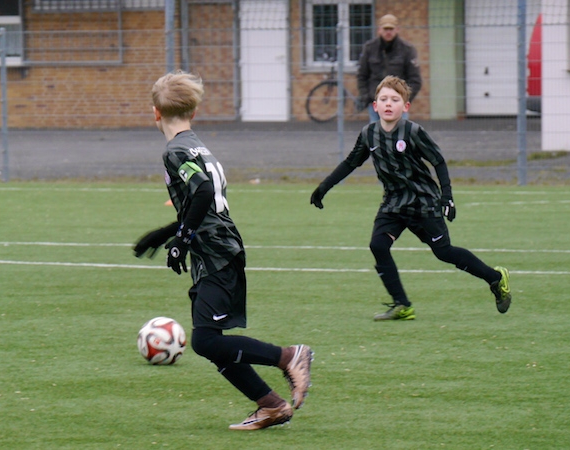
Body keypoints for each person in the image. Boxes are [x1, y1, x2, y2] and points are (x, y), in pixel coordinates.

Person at [133, 70, 313, 430]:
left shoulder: (175, 151)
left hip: (216, 253)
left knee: (205, 342)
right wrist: (166, 233)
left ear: (155, 112)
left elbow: (201, 191)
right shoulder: (195, 145)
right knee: (210, 340)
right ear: (193, 112)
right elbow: (202, 202)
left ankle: (289, 356)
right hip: (216, 250)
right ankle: (271, 406)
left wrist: (181, 240)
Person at [310, 75, 512, 320]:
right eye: (383, 99)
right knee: (378, 245)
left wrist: (447, 197)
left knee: (444, 252)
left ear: (405, 106)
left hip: (423, 202)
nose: (388, 103)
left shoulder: (413, 132)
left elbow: (438, 161)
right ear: (375, 105)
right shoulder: (369, 134)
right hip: (393, 203)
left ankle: (495, 278)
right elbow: (351, 162)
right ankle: (402, 305)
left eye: (395, 100)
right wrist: (324, 187)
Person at [356, 14, 422, 123]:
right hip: (376, 104)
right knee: (376, 133)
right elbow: (362, 75)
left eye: (391, 29)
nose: (388, 32)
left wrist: (404, 100)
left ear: (397, 29)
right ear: (379, 30)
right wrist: (366, 96)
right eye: (385, 29)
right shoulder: (370, 48)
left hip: (398, 105)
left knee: (400, 133)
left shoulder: (407, 50)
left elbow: (415, 80)